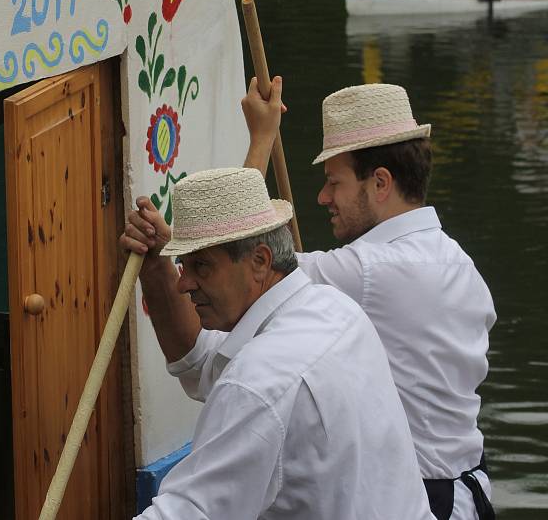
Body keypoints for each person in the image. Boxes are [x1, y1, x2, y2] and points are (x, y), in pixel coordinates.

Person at [241, 77, 497, 520]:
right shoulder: (460, 264)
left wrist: (262, 137)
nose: (323, 198)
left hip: (419, 501)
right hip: (467, 494)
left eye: (333, 182)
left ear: (380, 182)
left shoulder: (372, 272)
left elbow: (246, 265)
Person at [122, 166, 433, 519]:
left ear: (259, 262)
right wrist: (155, 269)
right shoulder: (338, 311)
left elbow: (190, 512)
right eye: (183, 265)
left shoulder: (257, 382)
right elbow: (202, 366)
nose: (184, 283)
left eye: (201, 266)